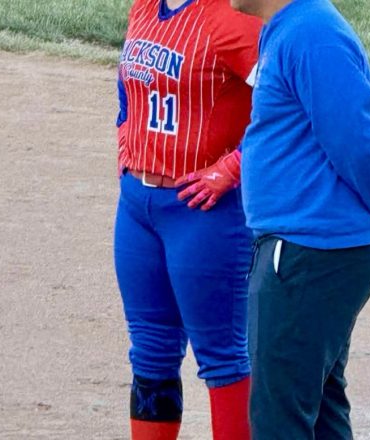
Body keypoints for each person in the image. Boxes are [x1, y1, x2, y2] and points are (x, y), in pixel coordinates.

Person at [228, 0, 370, 438]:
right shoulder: (292, 28)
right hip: (309, 248)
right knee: (320, 409)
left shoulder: (312, 34)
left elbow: (357, 141)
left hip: (308, 253)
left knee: (279, 417)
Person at [114, 0, 262, 438]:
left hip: (205, 215)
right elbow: (127, 90)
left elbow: (287, 102)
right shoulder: (145, 6)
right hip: (138, 210)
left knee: (223, 357)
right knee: (150, 350)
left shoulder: (232, 17)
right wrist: (125, 143)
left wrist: (232, 167)